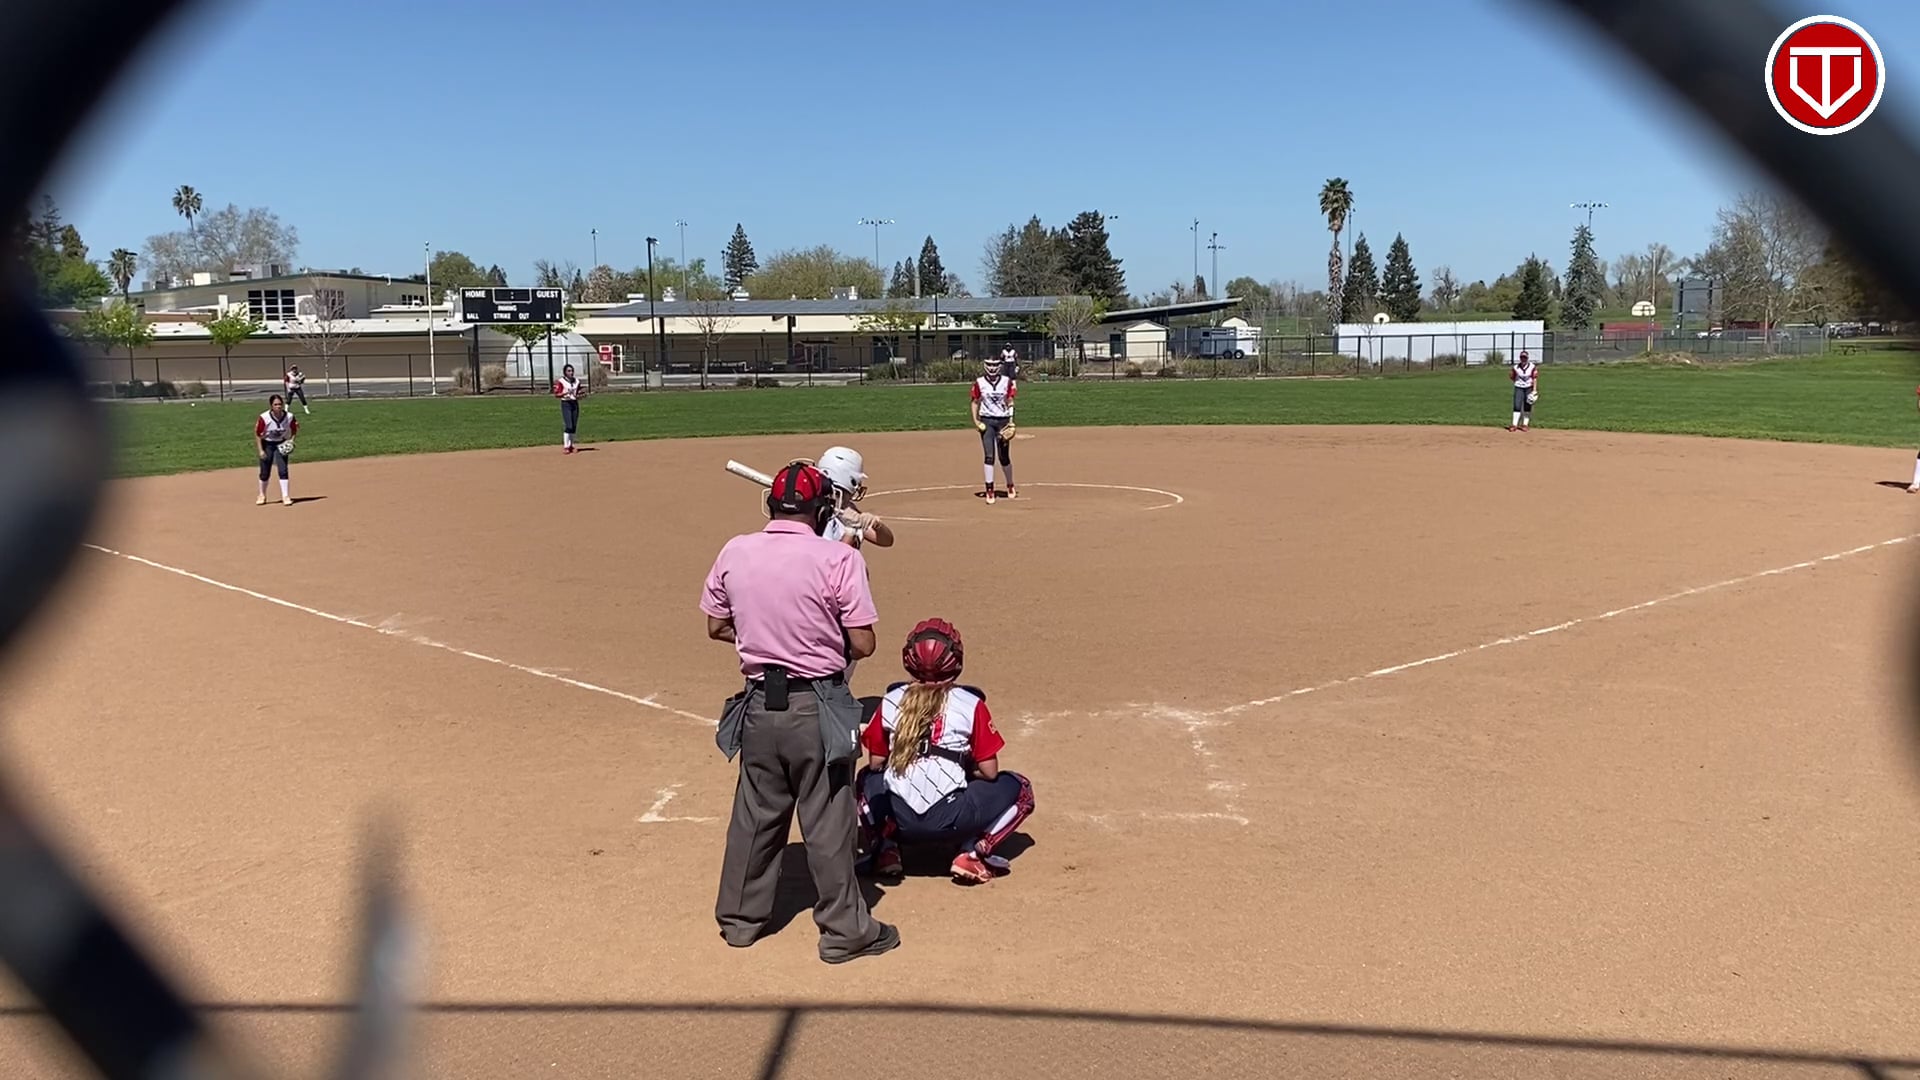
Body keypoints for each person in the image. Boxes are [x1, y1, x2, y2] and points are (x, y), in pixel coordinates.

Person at [700, 462, 900, 964]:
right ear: (823, 509)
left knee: (755, 814)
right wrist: (816, 640)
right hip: (817, 706)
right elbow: (863, 644)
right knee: (829, 818)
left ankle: (740, 921)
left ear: (770, 505)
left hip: (757, 706)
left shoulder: (735, 550)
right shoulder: (838, 559)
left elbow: (716, 626)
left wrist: (763, 637)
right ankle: (845, 931)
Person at [855, 619, 1035, 885]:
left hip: (898, 818)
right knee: (1021, 789)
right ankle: (973, 853)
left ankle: (885, 849)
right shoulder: (971, 703)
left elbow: (876, 763)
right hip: (952, 820)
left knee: (865, 779)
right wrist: (964, 768)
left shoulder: (891, 700)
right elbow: (989, 771)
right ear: (956, 660)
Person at [815, 446, 894, 551]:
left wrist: (877, 525)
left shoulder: (845, 508)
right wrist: (850, 531)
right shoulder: (819, 514)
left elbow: (886, 541)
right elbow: (833, 556)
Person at [970, 354, 1017, 503]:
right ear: (985, 365)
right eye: (989, 365)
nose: (992, 368)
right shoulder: (980, 382)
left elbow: (1010, 400)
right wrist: (976, 421)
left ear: (999, 366)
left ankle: (1010, 484)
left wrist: (1011, 421)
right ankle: (989, 489)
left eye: (995, 364)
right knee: (989, 456)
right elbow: (974, 402)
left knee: (1004, 456)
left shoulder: (1006, 381)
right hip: (987, 421)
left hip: (1002, 421)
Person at [254, 394, 298, 506]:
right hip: (267, 444)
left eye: (280, 404)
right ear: (271, 406)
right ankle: (262, 495)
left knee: (283, 470)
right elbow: (258, 434)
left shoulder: (289, 416)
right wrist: (261, 450)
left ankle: (285, 496)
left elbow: (294, 429)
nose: (278, 406)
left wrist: (291, 441)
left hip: (281, 443)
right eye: (275, 404)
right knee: (265, 472)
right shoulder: (264, 417)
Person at [553, 363, 584, 453]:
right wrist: (565, 393)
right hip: (566, 403)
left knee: (574, 425)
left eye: (572, 371)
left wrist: (581, 395)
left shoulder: (576, 381)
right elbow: (556, 394)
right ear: (565, 372)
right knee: (569, 425)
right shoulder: (561, 381)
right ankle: (566, 446)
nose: (571, 372)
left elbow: (579, 392)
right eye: (569, 371)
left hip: (574, 403)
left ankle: (571, 445)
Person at [1507, 349, 1539, 432]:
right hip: (1519, 387)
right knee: (1517, 405)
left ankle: (1525, 424)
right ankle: (1514, 425)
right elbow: (1512, 377)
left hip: (1529, 387)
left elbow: (1534, 378)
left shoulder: (1532, 367)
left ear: (1527, 358)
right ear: (1520, 358)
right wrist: (1518, 383)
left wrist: (1534, 390)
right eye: (1522, 357)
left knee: (1527, 405)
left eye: (1525, 357)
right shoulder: (1516, 367)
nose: (1523, 359)